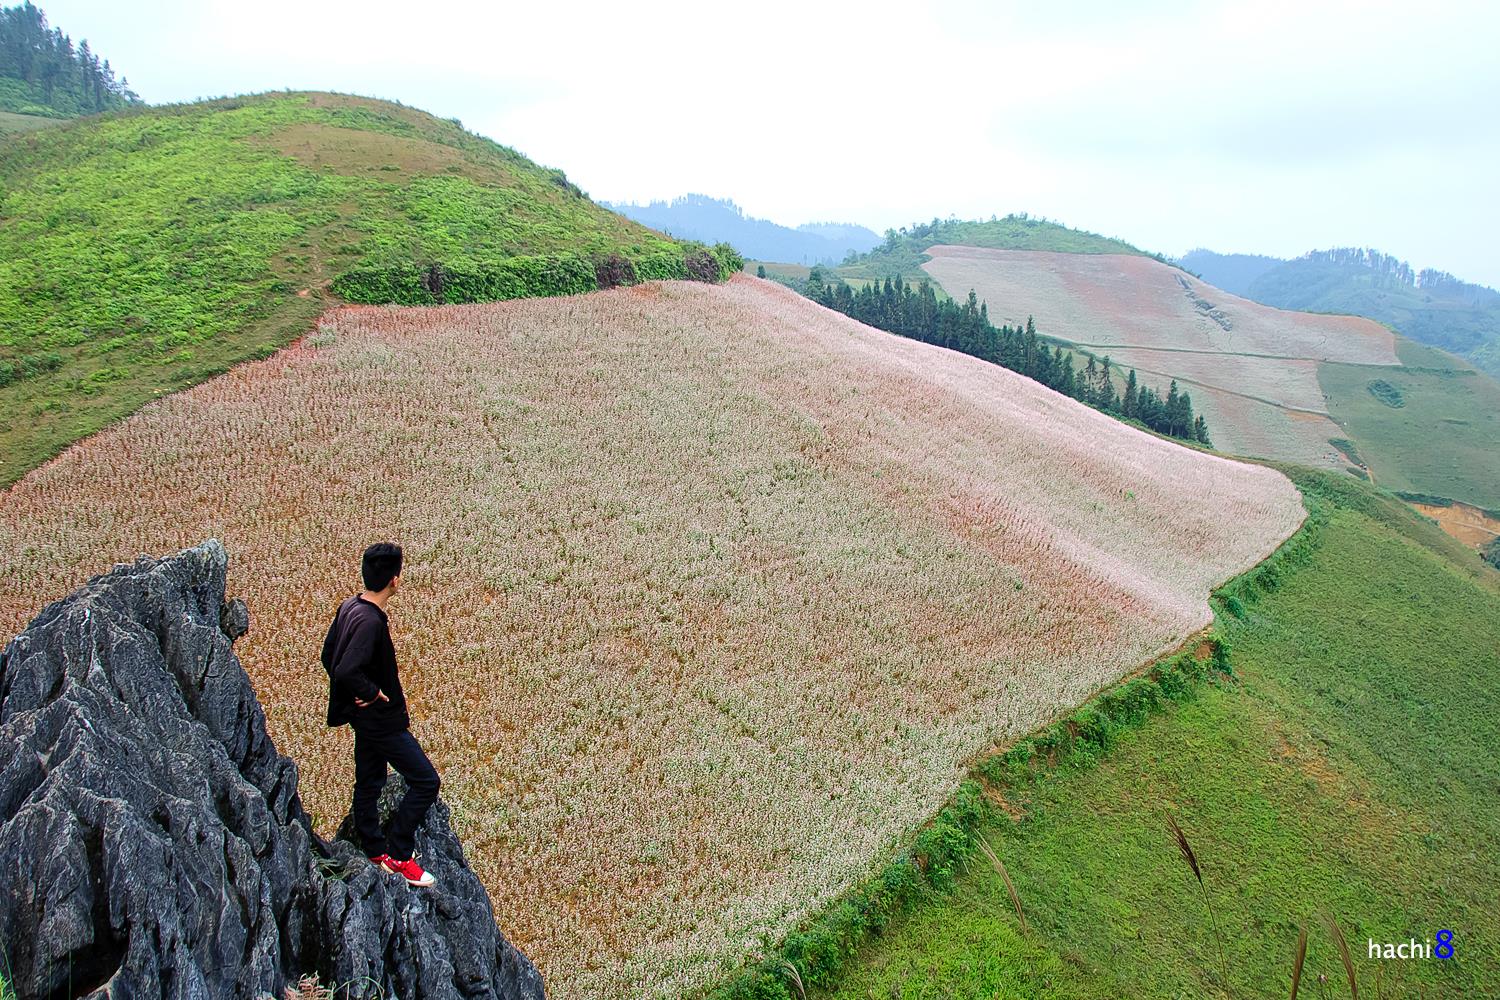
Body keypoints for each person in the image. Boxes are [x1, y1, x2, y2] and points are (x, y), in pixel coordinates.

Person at [321, 541, 440, 888]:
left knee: (370, 780)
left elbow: (329, 657)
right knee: (425, 781)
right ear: (394, 580)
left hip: (366, 721)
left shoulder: (349, 607)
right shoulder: (371, 622)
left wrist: (355, 695)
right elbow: (344, 668)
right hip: (382, 722)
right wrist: (370, 693)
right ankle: (401, 855)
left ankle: (374, 849)